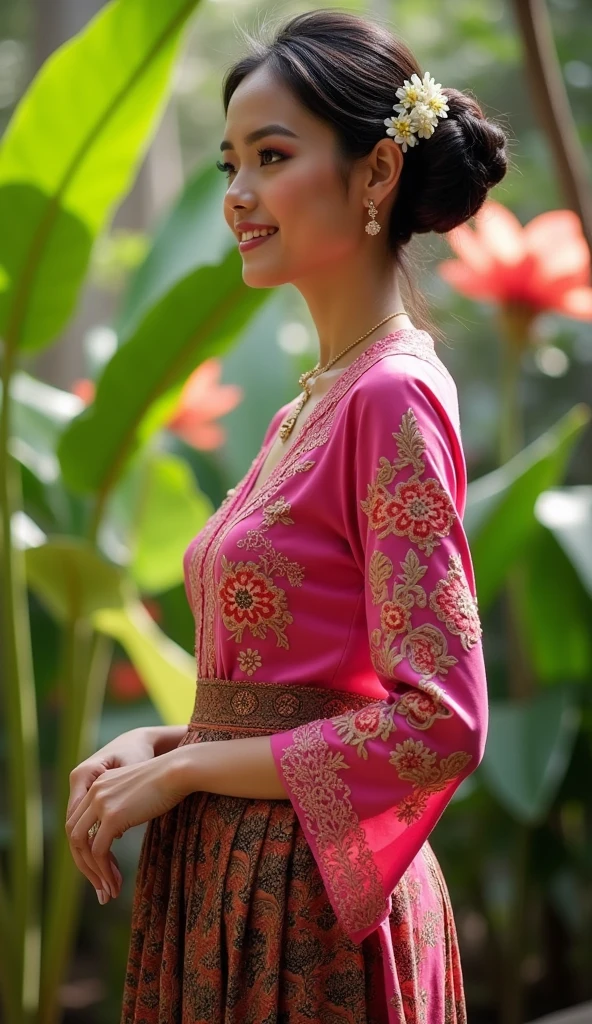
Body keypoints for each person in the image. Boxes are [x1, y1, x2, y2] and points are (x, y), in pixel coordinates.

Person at [66, 8, 508, 1022]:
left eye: (270, 156)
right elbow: (308, 692)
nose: (236, 196)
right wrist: (169, 747)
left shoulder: (390, 395)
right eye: (229, 163)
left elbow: (438, 722)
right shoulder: (308, 404)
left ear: (375, 175)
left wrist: (189, 776)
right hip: (236, 881)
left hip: (308, 906)